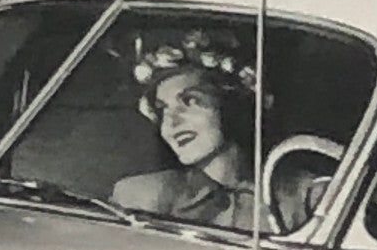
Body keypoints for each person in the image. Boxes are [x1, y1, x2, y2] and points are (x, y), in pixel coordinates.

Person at [110, 31, 269, 231]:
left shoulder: (301, 197)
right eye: (162, 109)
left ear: (229, 104)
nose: (171, 122)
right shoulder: (140, 196)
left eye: (190, 101)